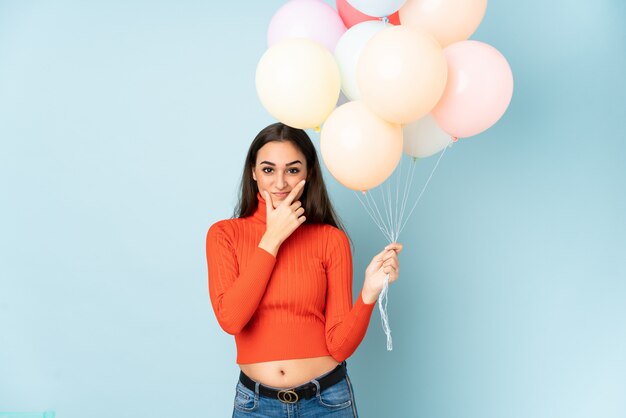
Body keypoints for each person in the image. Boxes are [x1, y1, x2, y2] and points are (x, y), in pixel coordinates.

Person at [206, 122, 402, 417]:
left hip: (327, 402)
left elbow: (338, 347)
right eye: (269, 169)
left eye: (293, 170)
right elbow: (231, 320)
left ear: (308, 173)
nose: (281, 182)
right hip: (256, 406)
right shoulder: (224, 235)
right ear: (253, 172)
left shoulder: (329, 239)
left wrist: (368, 293)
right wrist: (271, 240)